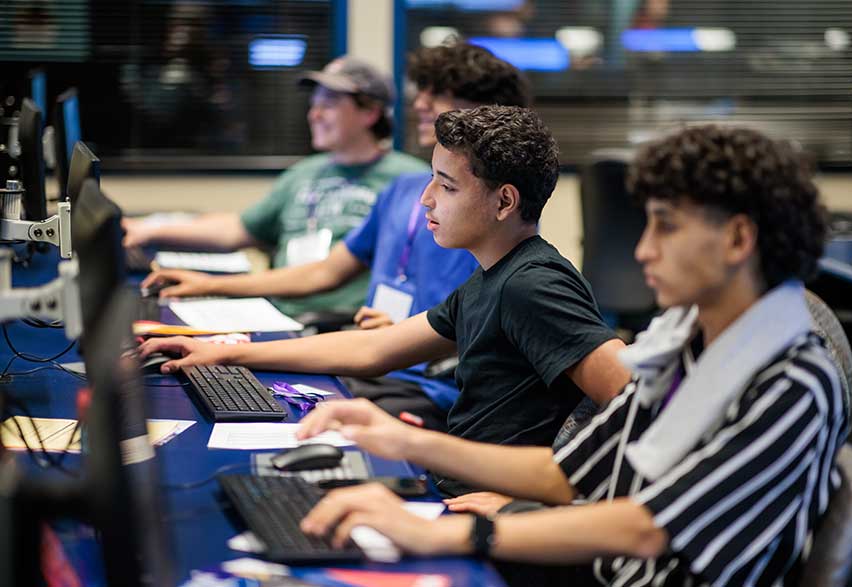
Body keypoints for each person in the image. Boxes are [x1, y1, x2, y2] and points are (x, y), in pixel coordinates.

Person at [292, 125, 846, 587]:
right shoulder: (685, 339)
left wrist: (458, 532)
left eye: (666, 226)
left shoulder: (794, 382)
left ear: (738, 240)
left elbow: (647, 529)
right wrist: (404, 441)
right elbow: (572, 473)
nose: (643, 249)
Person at [139, 106, 629, 496]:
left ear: (504, 202)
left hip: (489, 505)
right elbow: (374, 350)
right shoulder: (493, 277)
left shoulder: (534, 285)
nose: (426, 199)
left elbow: (634, 404)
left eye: (447, 185)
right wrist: (228, 352)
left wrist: (534, 502)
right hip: (455, 483)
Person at [139, 43, 533, 432]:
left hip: (426, 382)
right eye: (422, 92)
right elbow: (327, 273)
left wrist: (408, 330)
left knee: (303, 428)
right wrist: (215, 301)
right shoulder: (403, 189)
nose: (421, 104)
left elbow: (487, 327)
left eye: (440, 94)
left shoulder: (488, 212)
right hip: (378, 361)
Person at [122, 56, 428, 318]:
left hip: (338, 323)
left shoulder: (408, 181)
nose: (314, 114)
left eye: (329, 104)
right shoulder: (303, 173)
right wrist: (149, 228)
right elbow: (237, 229)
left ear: (370, 112)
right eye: (313, 104)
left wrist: (210, 284)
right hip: (275, 311)